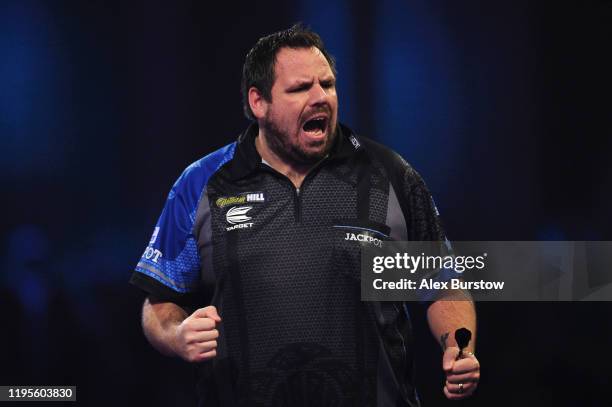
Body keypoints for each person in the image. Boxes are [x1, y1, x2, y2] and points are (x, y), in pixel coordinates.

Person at [130, 23, 480, 406]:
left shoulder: (390, 175)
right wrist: (178, 335)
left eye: (327, 85)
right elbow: (158, 302)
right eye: (300, 89)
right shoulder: (201, 184)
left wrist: (458, 347)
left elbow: (444, 285)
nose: (321, 98)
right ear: (258, 102)